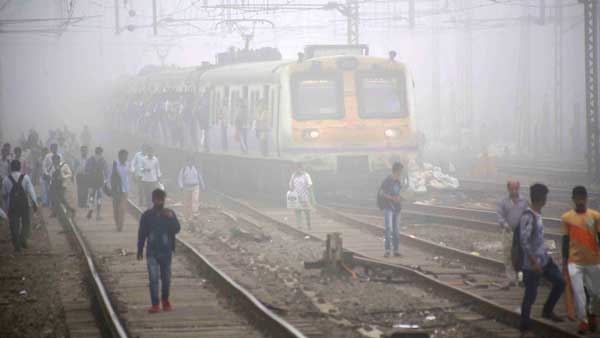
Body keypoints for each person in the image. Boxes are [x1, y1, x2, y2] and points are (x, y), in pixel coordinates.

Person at [519, 183, 565, 337]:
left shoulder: (537, 214)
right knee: (531, 295)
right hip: (532, 264)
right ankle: (524, 325)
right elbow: (524, 241)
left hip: (544, 259)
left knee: (560, 281)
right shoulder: (528, 216)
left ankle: (547, 311)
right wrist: (534, 262)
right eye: (546, 196)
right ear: (542, 199)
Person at [561, 186, 600, 334]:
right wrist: (564, 262)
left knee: (595, 293)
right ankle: (583, 321)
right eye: (578, 198)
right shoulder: (566, 218)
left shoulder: (596, 216)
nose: (580, 201)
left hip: (594, 261)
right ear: (573, 199)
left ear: (586, 198)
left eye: (582, 197)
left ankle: (592, 315)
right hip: (574, 262)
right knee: (579, 293)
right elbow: (565, 240)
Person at [137, 189, 181, 313]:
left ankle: (165, 300)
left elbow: (177, 229)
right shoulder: (147, 215)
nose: (159, 201)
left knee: (166, 279)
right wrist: (139, 249)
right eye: (157, 199)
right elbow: (142, 233)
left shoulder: (169, 214)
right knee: (153, 278)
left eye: (161, 199)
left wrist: (172, 219)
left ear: (164, 200)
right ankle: (155, 304)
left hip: (166, 252)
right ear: (153, 200)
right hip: (151, 252)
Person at [496, 180, 528, 287]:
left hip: (521, 232)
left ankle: (521, 279)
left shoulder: (524, 201)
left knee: (521, 256)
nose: (514, 191)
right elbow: (500, 215)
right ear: (508, 189)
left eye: (516, 189)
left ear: (518, 189)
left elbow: (528, 215)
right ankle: (511, 279)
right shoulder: (503, 201)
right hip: (508, 232)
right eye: (511, 189)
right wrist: (504, 224)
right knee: (508, 255)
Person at [1, 160, 38, 252]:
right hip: (24, 204)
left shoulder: (6, 179)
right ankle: (23, 239)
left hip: (12, 205)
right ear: (20, 167)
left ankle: (17, 245)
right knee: (26, 223)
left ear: (11, 168)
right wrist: (35, 203)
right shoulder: (25, 177)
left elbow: (4, 195)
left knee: (14, 225)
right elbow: (31, 191)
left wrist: (6, 207)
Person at [377, 162, 403, 258]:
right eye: (400, 172)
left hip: (397, 207)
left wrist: (401, 198)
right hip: (388, 207)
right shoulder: (387, 180)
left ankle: (396, 250)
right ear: (396, 171)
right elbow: (381, 193)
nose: (400, 174)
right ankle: (387, 250)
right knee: (388, 228)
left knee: (396, 230)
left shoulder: (398, 181)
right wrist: (392, 198)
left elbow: (398, 193)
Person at [178, 157, 206, 221]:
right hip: (187, 187)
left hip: (195, 186)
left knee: (195, 199)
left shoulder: (196, 169)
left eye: (191, 161)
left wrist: (203, 186)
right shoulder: (184, 169)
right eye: (189, 161)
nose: (190, 162)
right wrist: (181, 186)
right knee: (187, 201)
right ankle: (187, 214)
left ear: (193, 162)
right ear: (187, 162)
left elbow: (200, 177)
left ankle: (195, 213)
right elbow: (180, 178)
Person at [108, 149, 129, 231]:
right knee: (116, 209)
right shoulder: (114, 165)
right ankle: (117, 223)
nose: (126, 158)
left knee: (122, 208)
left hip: (125, 190)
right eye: (124, 156)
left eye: (126, 156)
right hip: (116, 190)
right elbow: (109, 177)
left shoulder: (128, 164)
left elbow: (130, 174)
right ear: (119, 156)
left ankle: (120, 226)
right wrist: (110, 187)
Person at [85, 147, 108, 220]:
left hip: (92, 180)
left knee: (91, 196)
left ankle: (91, 208)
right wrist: (106, 180)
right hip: (100, 180)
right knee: (99, 197)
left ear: (95, 152)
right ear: (101, 152)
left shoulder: (90, 159)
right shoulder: (103, 160)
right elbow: (106, 170)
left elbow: (86, 169)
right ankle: (98, 214)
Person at [289, 163, 313, 229]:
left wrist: (307, 187)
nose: (297, 170)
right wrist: (291, 190)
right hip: (296, 196)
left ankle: (309, 225)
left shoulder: (306, 175)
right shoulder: (293, 175)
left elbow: (310, 184)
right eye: (296, 168)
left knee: (307, 211)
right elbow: (291, 184)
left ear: (302, 168)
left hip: (304, 195)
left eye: (299, 168)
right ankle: (299, 225)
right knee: (297, 210)